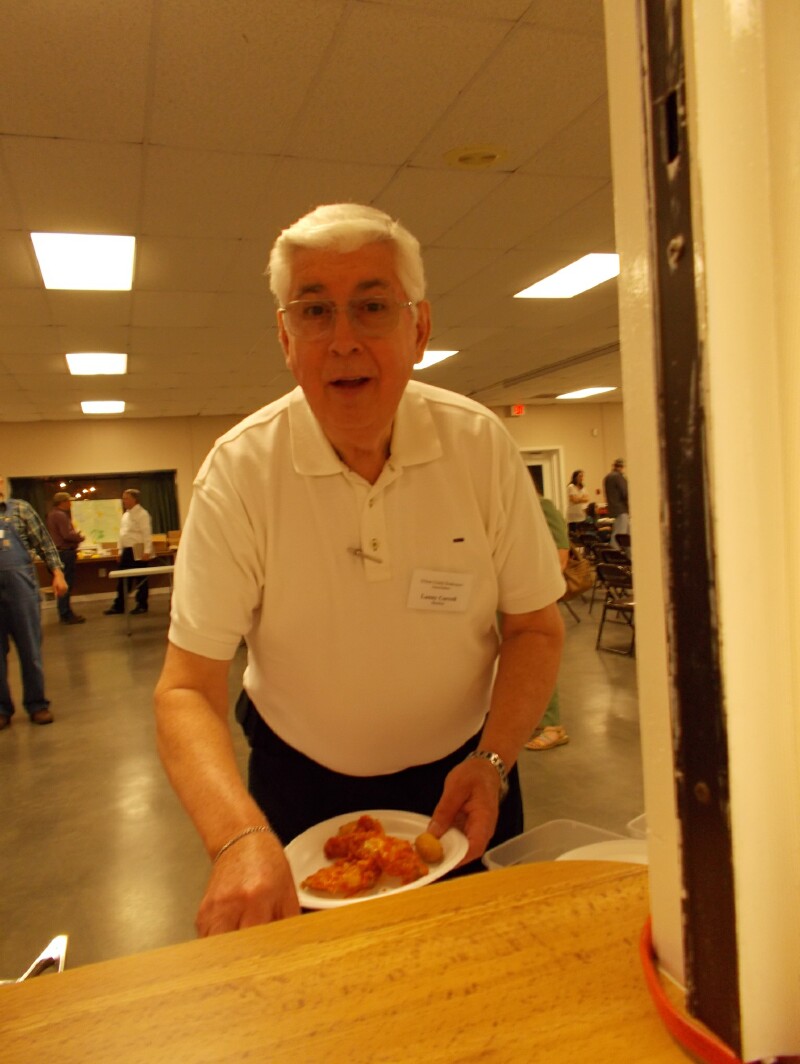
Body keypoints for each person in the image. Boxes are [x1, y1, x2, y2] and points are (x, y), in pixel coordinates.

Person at [154, 202, 565, 934]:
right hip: (298, 783)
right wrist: (236, 837)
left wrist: (495, 760)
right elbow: (186, 688)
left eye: (373, 307)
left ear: (420, 329)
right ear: (286, 337)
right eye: (314, 311)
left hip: (468, 774)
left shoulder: (480, 448)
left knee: (487, 963)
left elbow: (535, 626)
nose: (343, 339)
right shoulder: (240, 472)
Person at [0, 475, 68, 728]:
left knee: (30, 651)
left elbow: (45, 544)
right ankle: (1, 709)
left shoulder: (21, 509)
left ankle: (37, 704)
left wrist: (57, 573)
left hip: (21, 591)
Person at [525, 486, 570, 751]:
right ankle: (537, 720)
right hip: (510, 597)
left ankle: (553, 725)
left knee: (539, 659)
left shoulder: (543, 507)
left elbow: (561, 557)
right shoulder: (512, 511)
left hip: (534, 597)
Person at [104, 489, 153, 616]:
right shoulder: (125, 515)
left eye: (126, 498)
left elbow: (147, 533)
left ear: (134, 499)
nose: (124, 501)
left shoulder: (142, 514)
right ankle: (119, 605)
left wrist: (147, 551)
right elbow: (122, 534)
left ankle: (142, 605)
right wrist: (120, 551)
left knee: (141, 578)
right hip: (127, 550)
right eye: (123, 498)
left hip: (138, 549)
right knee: (123, 579)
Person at [46, 491, 86, 624]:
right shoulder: (60, 515)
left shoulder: (52, 514)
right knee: (66, 584)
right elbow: (67, 534)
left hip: (59, 552)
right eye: (69, 501)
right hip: (65, 553)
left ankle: (65, 612)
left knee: (63, 584)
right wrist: (79, 537)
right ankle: (66, 614)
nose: (70, 504)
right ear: (63, 502)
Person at [603, 458, 629, 548]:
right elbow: (625, 493)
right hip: (621, 509)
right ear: (621, 467)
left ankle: (627, 554)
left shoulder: (607, 477)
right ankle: (614, 553)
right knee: (619, 535)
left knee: (622, 533)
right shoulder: (619, 477)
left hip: (613, 509)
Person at [566, 470, 590, 534]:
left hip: (582, 514)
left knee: (582, 533)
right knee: (574, 534)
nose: (581, 478)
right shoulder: (571, 487)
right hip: (573, 515)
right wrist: (581, 498)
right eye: (580, 476)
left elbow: (587, 498)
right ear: (575, 477)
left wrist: (578, 498)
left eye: (582, 476)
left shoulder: (583, 487)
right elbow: (574, 500)